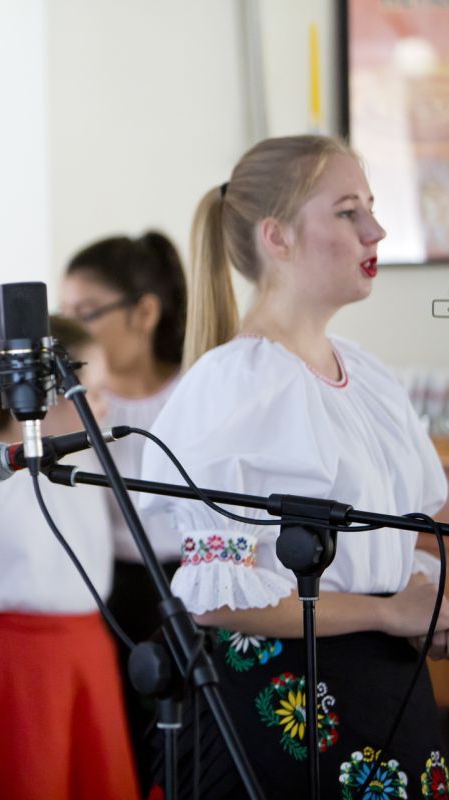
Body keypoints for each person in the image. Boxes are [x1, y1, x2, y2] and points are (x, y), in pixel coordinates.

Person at [139, 134, 449, 798]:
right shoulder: (234, 385)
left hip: (389, 684)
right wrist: (390, 613)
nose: (375, 230)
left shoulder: (365, 374)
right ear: (276, 237)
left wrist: (426, 609)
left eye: (371, 207)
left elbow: (422, 525)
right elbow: (220, 598)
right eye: (347, 211)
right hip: (291, 701)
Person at [0, 320, 139, 800]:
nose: (104, 406)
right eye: (92, 392)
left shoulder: (89, 461)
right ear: (42, 395)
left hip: (85, 650)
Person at [58, 230, 186, 785]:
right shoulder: (74, 404)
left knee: (187, 742)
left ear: (145, 312)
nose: (68, 331)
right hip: (108, 591)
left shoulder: (196, 390)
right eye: (63, 314)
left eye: (85, 313)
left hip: (188, 586)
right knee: (122, 749)